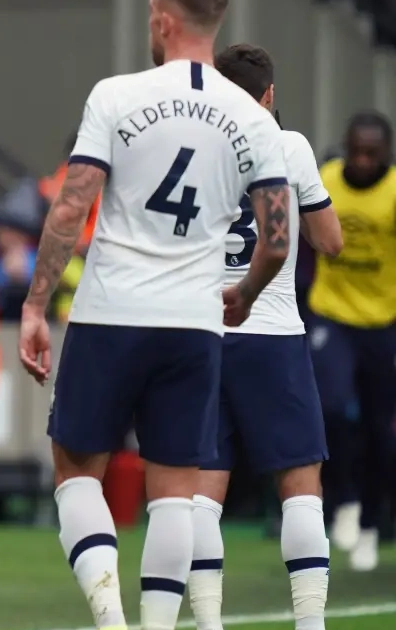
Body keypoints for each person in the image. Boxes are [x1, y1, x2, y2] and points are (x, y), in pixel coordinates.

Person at [17, 1, 293, 629]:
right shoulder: (253, 119)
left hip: (110, 313)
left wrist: (35, 304)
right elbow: (277, 240)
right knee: (175, 493)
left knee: (76, 473)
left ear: (164, 18)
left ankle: (111, 620)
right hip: (194, 322)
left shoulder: (116, 96)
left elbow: (71, 208)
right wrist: (246, 293)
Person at [184, 43, 343, 630]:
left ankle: (207, 623)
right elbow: (329, 241)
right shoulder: (288, 145)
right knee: (299, 482)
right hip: (271, 330)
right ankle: (310, 622)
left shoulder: (191, 148)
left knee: (203, 491)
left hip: (202, 333)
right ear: (269, 94)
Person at [307, 110, 396, 572]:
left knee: (380, 431)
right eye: (355, 151)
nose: (361, 161)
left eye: (371, 153)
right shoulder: (327, 180)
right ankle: (342, 501)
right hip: (332, 314)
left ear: (386, 154)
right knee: (332, 409)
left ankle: (369, 524)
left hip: (382, 321)